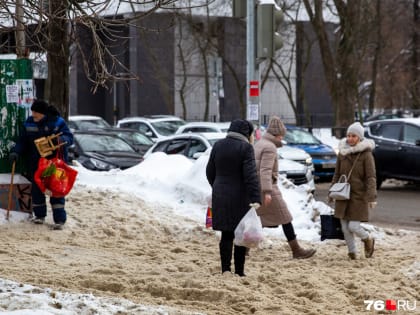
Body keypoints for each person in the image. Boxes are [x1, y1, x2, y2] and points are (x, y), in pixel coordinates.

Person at [254, 116, 316, 259]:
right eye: (282, 134)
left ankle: (244, 248)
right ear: (278, 134)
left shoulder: (260, 143)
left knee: (259, 219)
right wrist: (268, 191)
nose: (283, 137)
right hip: (267, 187)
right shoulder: (270, 147)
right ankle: (296, 250)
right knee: (285, 217)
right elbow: (265, 170)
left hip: (257, 186)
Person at [206, 119, 261, 277]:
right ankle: (239, 271)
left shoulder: (218, 145)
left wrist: (217, 186)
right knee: (240, 234)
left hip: (220, 194)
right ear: (247, 133)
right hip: (239, 196)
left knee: (226, 234)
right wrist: (255, 197)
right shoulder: (246, 148)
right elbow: (250, 175)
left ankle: (225, 270)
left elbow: (210, 171)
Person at [9, 100, 74, 230]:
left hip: (54, 162)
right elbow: (23, 141)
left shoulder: (58, 122)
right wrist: (16, 151)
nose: (33, 115)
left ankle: (59, 219)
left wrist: (59, 140)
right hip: (36, 161)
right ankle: (39, 216)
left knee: (56, 188)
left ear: (43, 113)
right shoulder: (29, 122)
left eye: (36, 113)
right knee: (37, 189)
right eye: (32, 112)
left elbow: (69, 137)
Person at [331, 122, 377, 260]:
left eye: (354, 136)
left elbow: (371, 177)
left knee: (354, 226)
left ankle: (368, 239)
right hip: (342, 195)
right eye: (348, 136)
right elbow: (337, 174)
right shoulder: (342, 153)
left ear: (360, 138)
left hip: (358, 195)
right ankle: (352, 253)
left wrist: (372, 196)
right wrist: (331, 191)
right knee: (345, 228)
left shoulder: (366, 154)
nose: (350, 138)